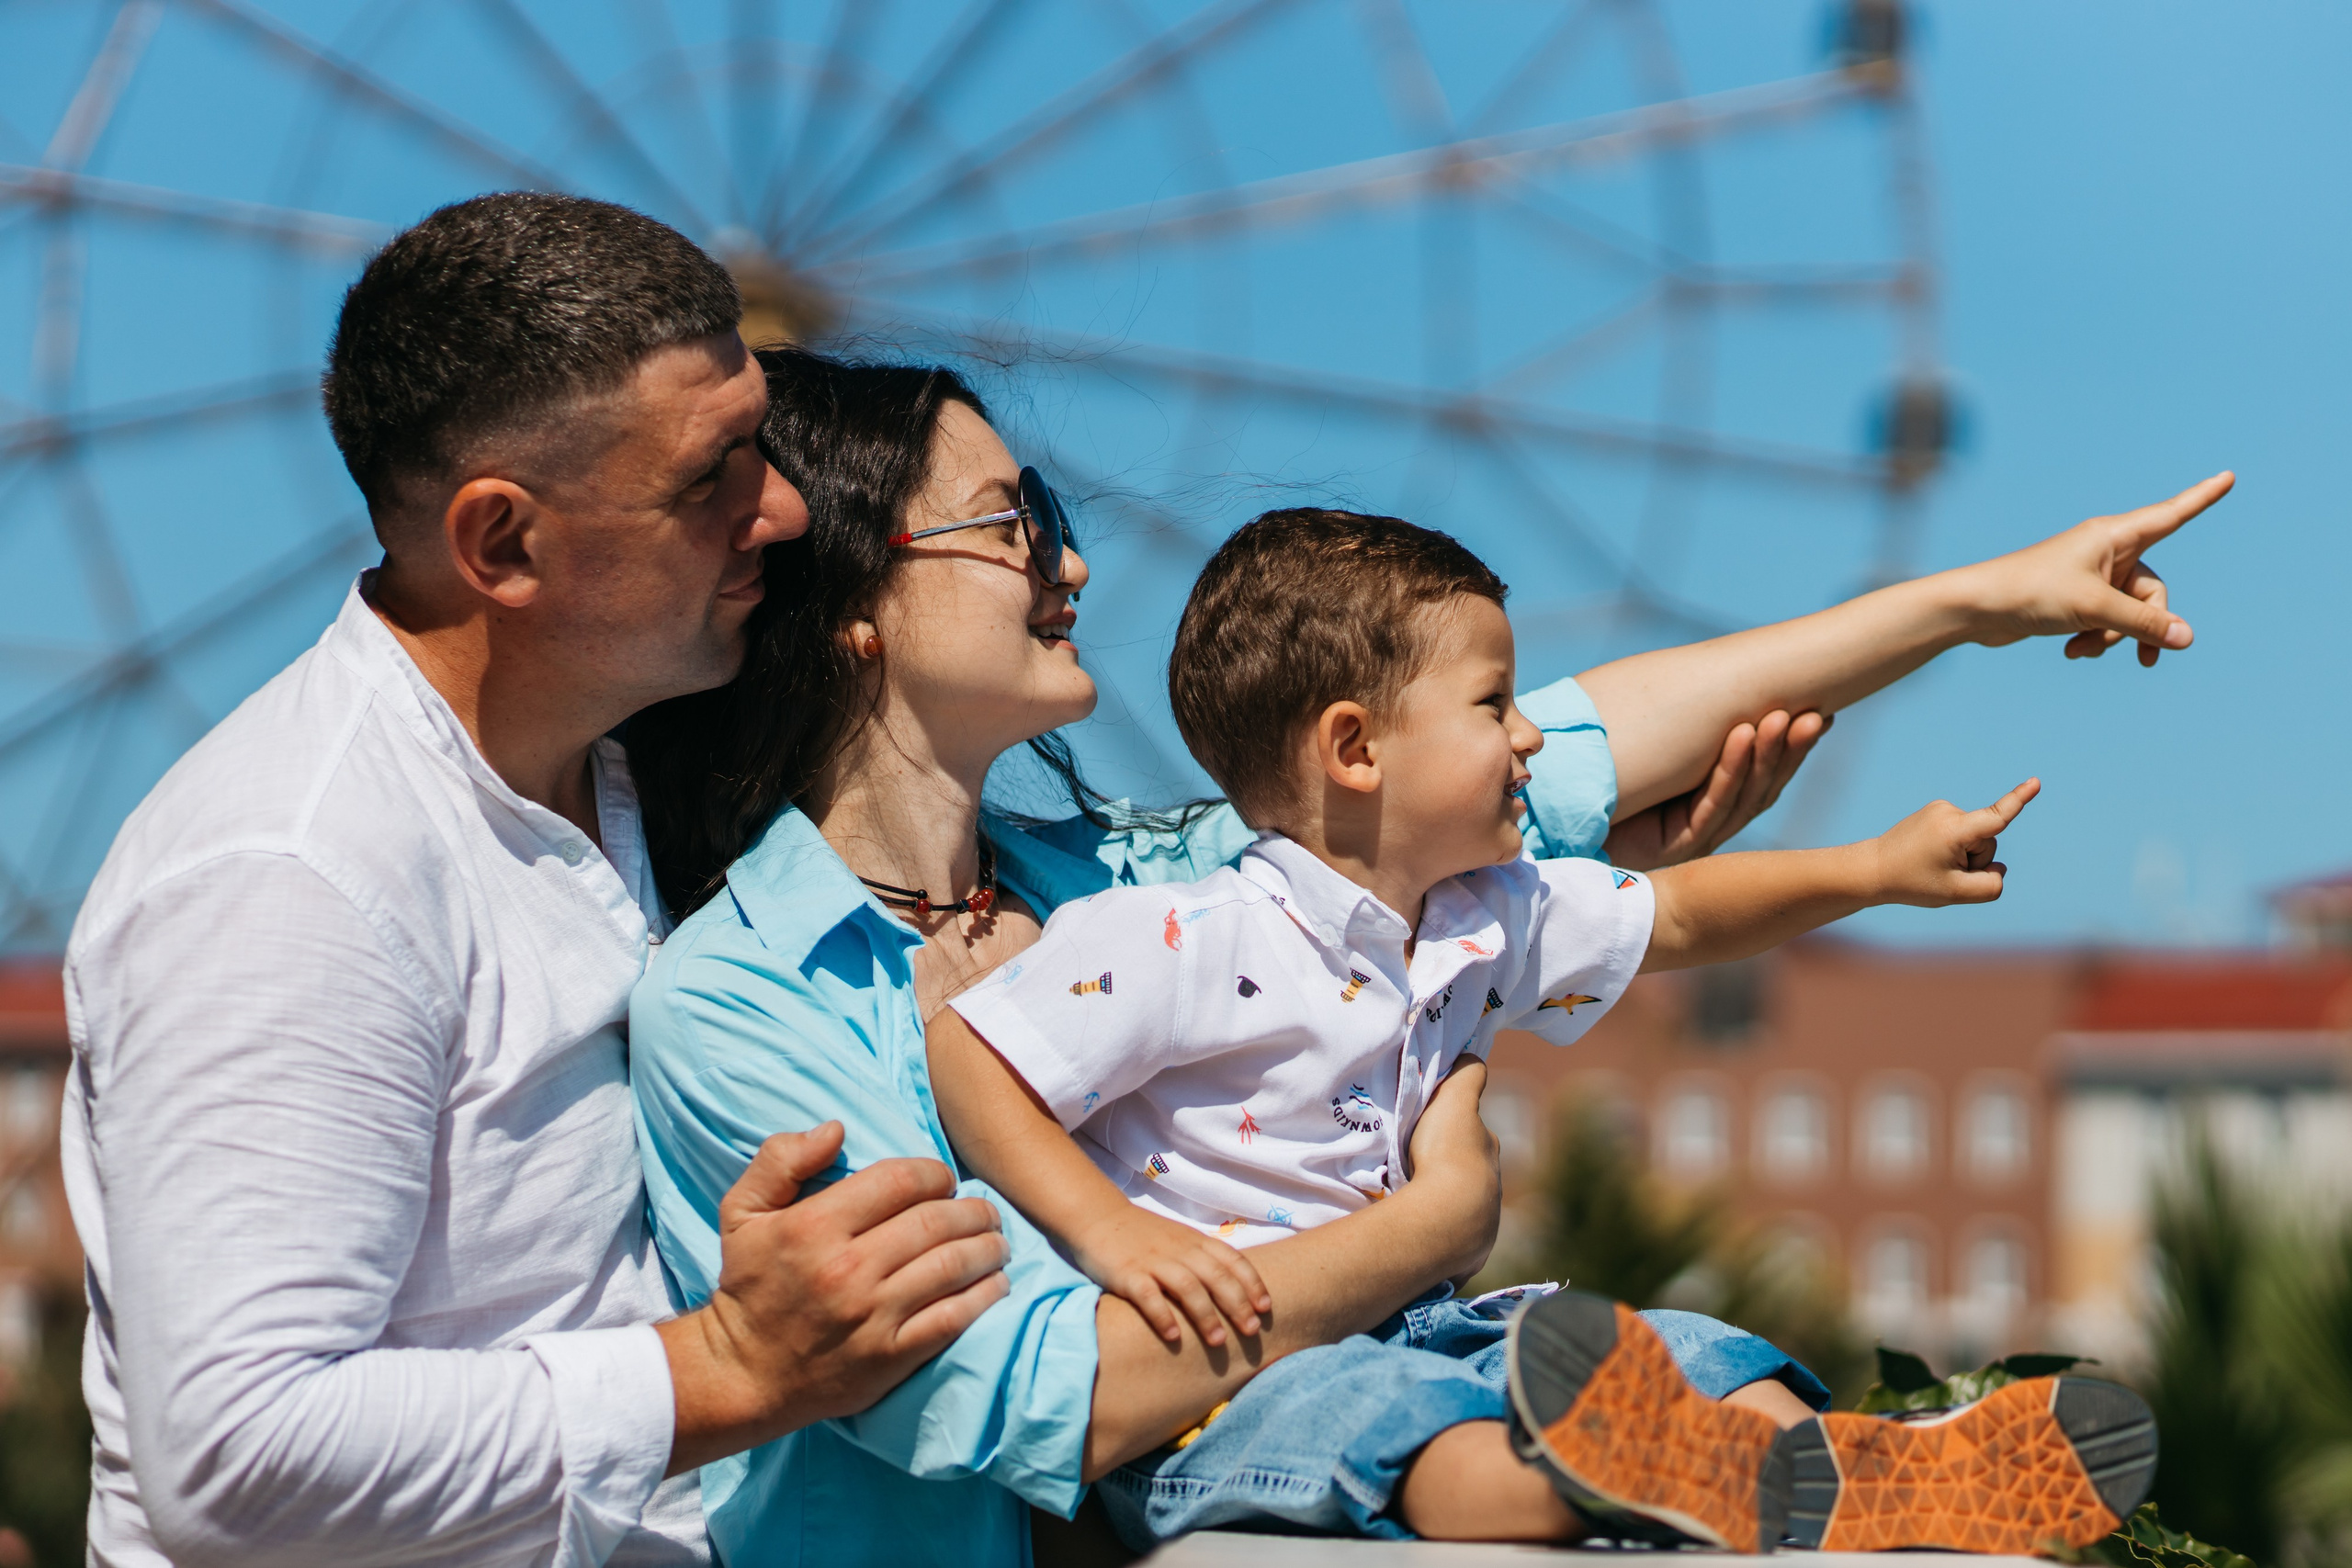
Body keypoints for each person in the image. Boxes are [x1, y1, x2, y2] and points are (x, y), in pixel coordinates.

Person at [624, 346, 2227, 1564]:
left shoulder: (1139, 879)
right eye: (1014, 520)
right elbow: (1044, 1397)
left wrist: (1975, 601)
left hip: (1341, 1414)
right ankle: (1626, 1474)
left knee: (1651, 1366)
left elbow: (1579, 742)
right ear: (855, 603)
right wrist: (1438, 1218)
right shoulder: (740, 1005)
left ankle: (1818, 1472)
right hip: (1203, 1469)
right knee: (1405, 1425)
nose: (1074, 564)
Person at [60, 194, 1018, 1568]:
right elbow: (235, 1454)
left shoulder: (635, 768)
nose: (786, 509)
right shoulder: (292, 873)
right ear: (501, 542)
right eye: (715, 476)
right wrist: (731, 1366)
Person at [925, 507, 2149, 1556]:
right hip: (1234, 1391)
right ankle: (1608, 1484)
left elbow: (1675, 913)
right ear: (1355, 749)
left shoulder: (1479, 919)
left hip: (1430, 1318)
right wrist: (1114, 1235)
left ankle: (1844, 1477)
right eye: (1496, 704)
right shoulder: (1186, 937)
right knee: (1400, 1428)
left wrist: (1870, 867)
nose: (1527, 740)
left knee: (1680, 1347)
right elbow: (972, 1055)